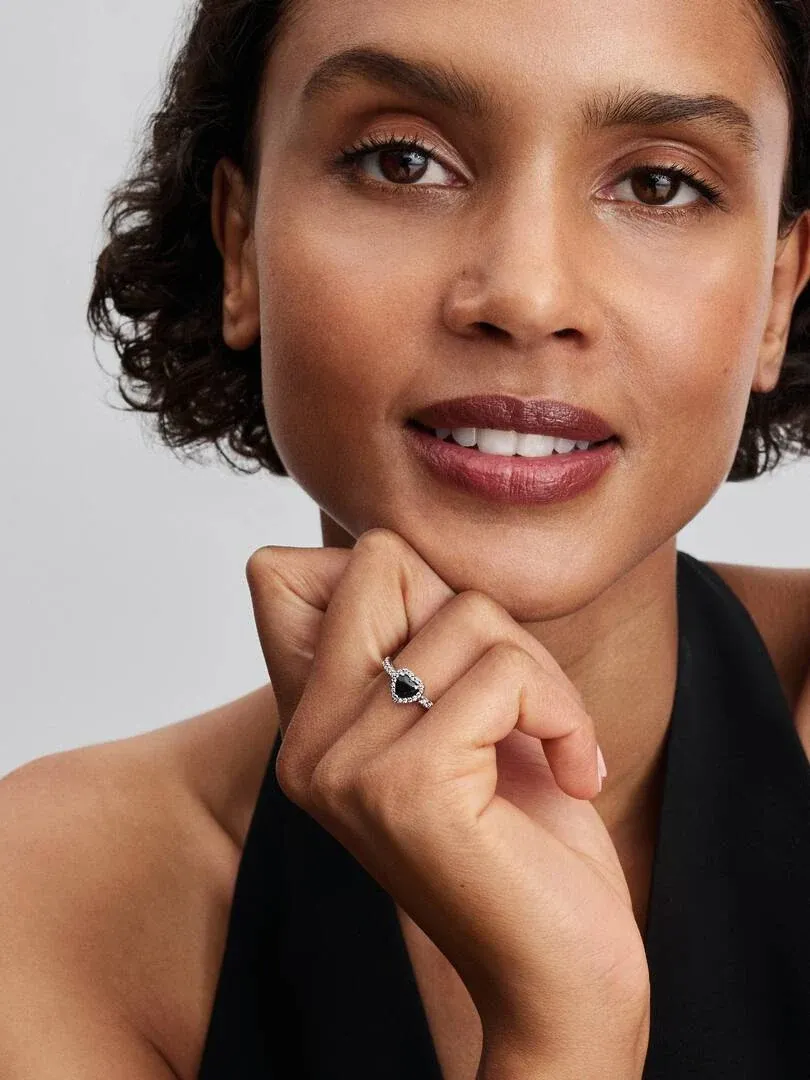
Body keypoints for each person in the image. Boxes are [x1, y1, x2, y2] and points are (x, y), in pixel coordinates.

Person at [3, 0, 810, 1076]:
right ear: (241, 248)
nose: (526, 295)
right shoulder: (56, 896)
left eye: (658, 184)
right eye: (401, 162)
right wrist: (560, 1029)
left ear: (775, 295)